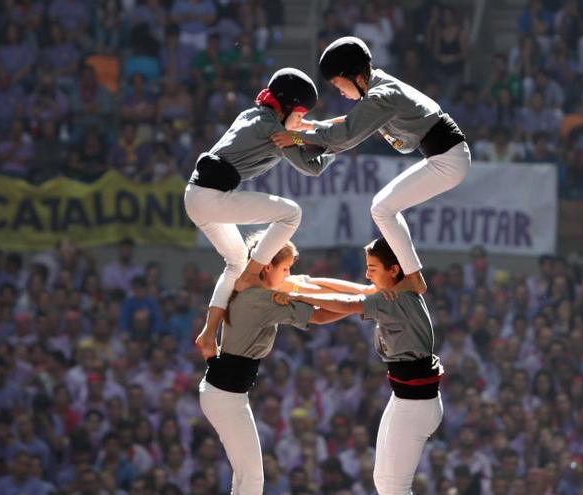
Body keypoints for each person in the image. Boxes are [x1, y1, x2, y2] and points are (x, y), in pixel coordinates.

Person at [272, 36, 470, 298]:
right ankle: (412, 275)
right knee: (383, 207)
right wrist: (309, 127)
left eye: (337, 84)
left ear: (352, 75)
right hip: (446, 156)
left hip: (448, 159)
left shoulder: (380, 95)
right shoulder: (379, 88)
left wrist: (296, 137)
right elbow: (351, 121)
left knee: (382, 208)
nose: (339, 91)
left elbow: (345, 136)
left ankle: (413, 277)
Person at [184, 68, 336, 359]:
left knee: (235, 261)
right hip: (212, 197)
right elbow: (312, 166)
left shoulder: (253, 115)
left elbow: (303, 133)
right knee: (291, 214)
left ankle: (207, 334)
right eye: (300, 113)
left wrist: (320, 130)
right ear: (290, 107)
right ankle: (254, 274)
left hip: (196, 196)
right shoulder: (274, 130)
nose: (302, 119)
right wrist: (338, 144)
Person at [273, 238, 443, 494]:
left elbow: (349, 303)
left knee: (395, 488)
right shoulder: (389, 292)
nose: (367, 274)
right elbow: (355, 290)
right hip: (405, 400)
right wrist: (305, 282)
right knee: (384, 482)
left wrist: (296, 294)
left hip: (416, 405)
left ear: (394, 270)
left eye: (373, 268)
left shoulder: (395, 299)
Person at [199, 232, 346, 494]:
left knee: (245, 474)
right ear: (268, 267)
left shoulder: (261, 291)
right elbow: (321, 316)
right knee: (253, 476)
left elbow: (311, 284)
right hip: (225, 394)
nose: (289, 274)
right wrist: (363, 306)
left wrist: (365, 294)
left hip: (224, 391)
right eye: (286, 268)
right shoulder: (261, 299)